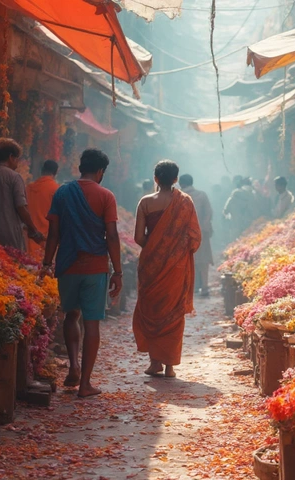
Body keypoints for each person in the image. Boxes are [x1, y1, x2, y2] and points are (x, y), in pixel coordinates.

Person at [42, 148, 122, 398]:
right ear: (100, 172)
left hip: (67, 265)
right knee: (92, 322)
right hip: (95, 266)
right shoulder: (106, 195)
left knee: (71, 315)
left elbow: (53, 233)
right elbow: (112, 236)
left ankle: (73, 366)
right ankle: (85, 384)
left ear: (80, 167)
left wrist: (46, 263)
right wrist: (118, 271)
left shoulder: (62, 192)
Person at [133, 161, 201, 378]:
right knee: (173, 312)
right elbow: (194, 237)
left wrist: (156, 248)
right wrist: (172, 249)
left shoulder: (145, 202)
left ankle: (155, 363)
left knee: (152, 309)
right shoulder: (185, 202)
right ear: (175, 179)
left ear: (155, 178)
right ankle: (170, 365)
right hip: (176, 266)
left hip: (151, 266)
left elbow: (138, 237)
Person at [179, 174, 214, 296]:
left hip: (183, 234)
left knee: (187, 260)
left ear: (181, 183)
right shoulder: (202, 195)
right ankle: (204, 286)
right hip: (201, 233)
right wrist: (203, 226)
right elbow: (209, 212)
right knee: (203, 260)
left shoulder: (177, 196)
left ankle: (190, 286)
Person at [25, 160, 59, 258]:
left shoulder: (29, 188)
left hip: (29, 238)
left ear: (42, 171)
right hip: (47, 240)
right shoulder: (56, 190)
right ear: (56, 172)